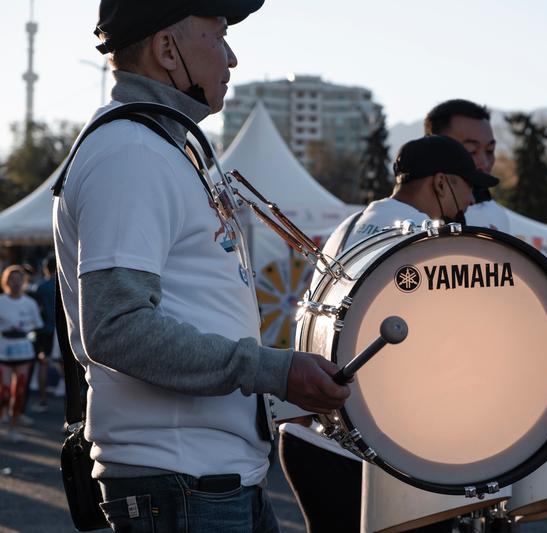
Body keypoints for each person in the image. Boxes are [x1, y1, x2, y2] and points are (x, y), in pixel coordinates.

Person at [53, 1, 349, 531]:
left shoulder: (158, 146)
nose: (232, 58)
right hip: (183, 487)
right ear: (168, 49)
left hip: (206, 482)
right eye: (219, 37)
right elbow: (116, 328)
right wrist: (274, 372)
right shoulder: (131, 153)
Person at [279, 135, 499, 532]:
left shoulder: (351, 227)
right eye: (470, 189)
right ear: (441, 183)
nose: (471, 202)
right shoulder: (417, 241)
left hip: (316, 442)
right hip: (372, 463)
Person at [424, 99, 510, 232]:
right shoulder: (406, 215)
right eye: (471, 151)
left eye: (490, 150)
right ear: (433, 148)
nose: (484, 163)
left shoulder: (497, 215)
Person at [0, 266, 43, 443]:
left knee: (19, 391)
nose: (16, 282)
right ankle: (3, 414)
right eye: (12, 279)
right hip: (3, 350)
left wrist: (24, 328)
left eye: (19, 279)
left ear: (24, 282)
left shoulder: (30, 303)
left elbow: (37, 325)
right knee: (4, 391)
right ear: (6, 281)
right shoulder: (1, 301)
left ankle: (14, 426)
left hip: (23, 350)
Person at [31, 255, 58, 412]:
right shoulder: (66, 284)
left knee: (43, 363)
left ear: (45, 268)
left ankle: (43, 400)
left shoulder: (40, 287)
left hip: (45, 330)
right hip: (63, 329)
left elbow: (37, 311)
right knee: (68, 366)